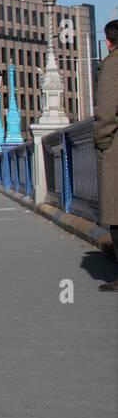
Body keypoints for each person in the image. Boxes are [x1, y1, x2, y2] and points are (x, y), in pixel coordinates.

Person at [93, 20, 118, 291]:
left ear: (108, 42)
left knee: (116, 212)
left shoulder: (112, 65)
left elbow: (106, 112)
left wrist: (101, 141)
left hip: (116, 150)